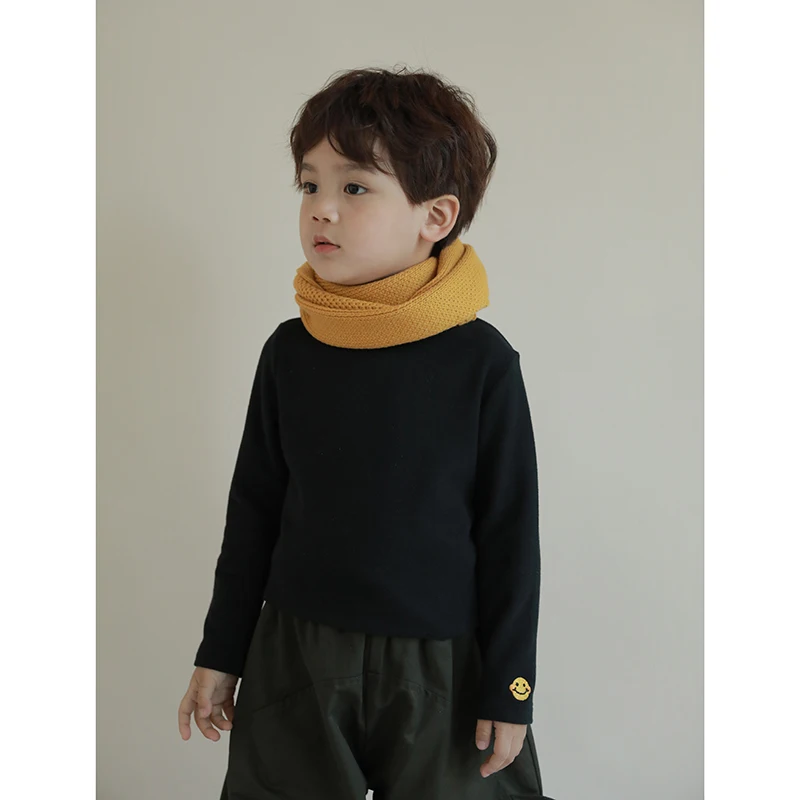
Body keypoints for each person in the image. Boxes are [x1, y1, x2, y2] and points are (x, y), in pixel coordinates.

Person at [178, 65, 553, 800]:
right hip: (297, 655)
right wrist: (221, 652)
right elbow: (253, 512)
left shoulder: (480, 361)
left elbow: (511, 533)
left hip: (440, 666)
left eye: (354, 187)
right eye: (309, 185)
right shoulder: (291, 352)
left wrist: (513, 687)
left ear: (435, 217)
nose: (321, 209)